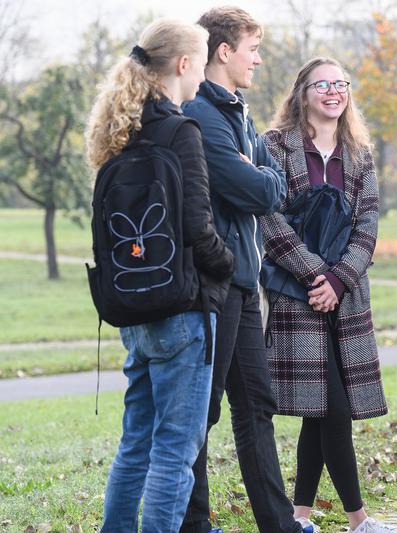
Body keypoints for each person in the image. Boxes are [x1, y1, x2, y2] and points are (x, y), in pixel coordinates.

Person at [85, 19, 234, 532]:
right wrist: (227, 264)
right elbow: (199, 224)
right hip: (184, 310)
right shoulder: (180, 129)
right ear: (185, 64)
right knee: (175, 449)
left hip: (135, 310)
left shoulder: (120, 130)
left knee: (136, 444)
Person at [259, 56, 397, 533]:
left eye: (341, 83)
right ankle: (359, 520)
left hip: (346, 299)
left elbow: (367, 225)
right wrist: (315, 276)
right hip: (297, 295)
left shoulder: (359, 153)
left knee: (321, 410)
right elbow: (269, 217)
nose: (333, 92)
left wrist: (338, 280)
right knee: (331, 407)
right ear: (302, 93)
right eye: (322, 84)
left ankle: (300, 517)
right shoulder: (274, 146)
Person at [178, 7, 302, 533]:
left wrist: (261, 175)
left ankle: (278, 524)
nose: (258, 59)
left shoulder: (239, 111)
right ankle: (194, 524)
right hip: (218, 282)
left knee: (256, 406)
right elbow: (256, 189)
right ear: (223, 52)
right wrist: (260, 175)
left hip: (246, 284)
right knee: (202, 413)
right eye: (253, 49)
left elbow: (275, 184)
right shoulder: (203, 116)